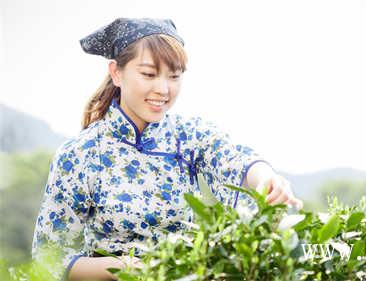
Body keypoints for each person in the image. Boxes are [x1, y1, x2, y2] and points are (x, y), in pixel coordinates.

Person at [31, 17, 303, 281]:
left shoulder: (188, 136)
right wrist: (122, 266)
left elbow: (233, 158)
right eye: (148, 74)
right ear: (116, 72)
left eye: (174, 76)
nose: (163, 89)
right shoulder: (80, 154)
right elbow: (49, 257)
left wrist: (268, 180)